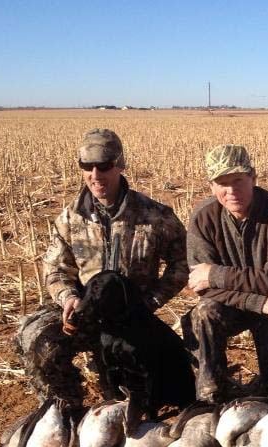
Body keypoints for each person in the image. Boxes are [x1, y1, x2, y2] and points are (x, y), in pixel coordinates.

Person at [16, 128, 188, 408]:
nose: (95, 175)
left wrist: (151, 301)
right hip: (85, 313)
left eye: (104, 166)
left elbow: (182, 263)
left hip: (132, 317)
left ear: (120, 165)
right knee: (36, 336)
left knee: (150, 388)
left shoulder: (155, 215)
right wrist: (69, 299)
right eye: (87, 166)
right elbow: (57, 270)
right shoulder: (70, 217)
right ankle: (64, 409)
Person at [182, 144, 268, 402]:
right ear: (212, 186)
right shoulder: (203, 217)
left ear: (253, 178)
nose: (231, 191)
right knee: (203, 313)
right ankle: (210, 393)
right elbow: (200, 284)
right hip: (245, 303)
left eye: (238, 181)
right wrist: (257, 301)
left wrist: (216, 274)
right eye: (222, 183)